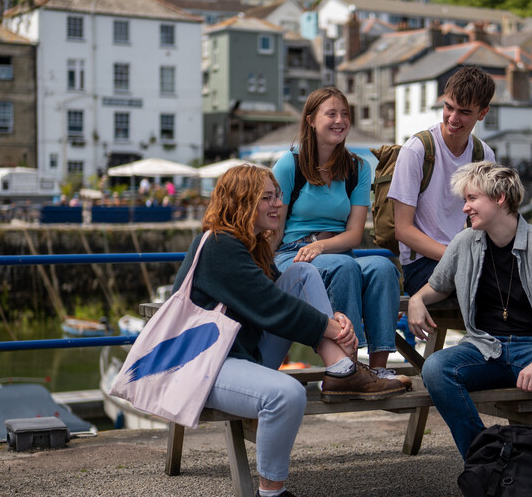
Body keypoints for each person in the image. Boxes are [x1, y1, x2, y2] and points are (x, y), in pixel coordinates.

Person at [172, 165, 406, 497]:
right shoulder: (219, 245)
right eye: (266, 198)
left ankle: (340, 368)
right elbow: (272, 307)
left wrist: (333, 320)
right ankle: (271, 492)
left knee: (302, 274)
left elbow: (281, 302)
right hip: (208, 364)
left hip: (245, 356)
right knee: (286, 394)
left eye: (278, 196)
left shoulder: (253, 247)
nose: (278, 204)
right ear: (241, 202)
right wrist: (332, 327)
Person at [407, 161, 532, 496]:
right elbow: (438, 286)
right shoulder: (465, 242)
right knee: (435, 368)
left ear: (500, 198)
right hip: (484, 347)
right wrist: (418, 298)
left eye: (472, 198)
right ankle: (489, 461)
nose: (465, 207)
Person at [272, 87, 407, 385]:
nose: (340, 120)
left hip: (335, 252)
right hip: (293, 256)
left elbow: (355, 235)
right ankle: (347, 367)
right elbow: (274, 226)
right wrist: (263, 270)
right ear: (310, 120)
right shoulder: (289, 165)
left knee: (384, 267)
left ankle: (378, 367)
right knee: (344, 267)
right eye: (331, 114)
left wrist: (322, 246)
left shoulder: (358, 168)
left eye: (345, 114)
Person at [388, 65, 497, 296]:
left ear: (483, 113)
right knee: (496, 292)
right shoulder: (417, 150)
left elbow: (491, 220)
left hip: (465, 260)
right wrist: (458, 256)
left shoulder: (483, 155)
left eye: (464, 112)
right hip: (420, 266)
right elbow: (403, 230)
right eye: (448, 107)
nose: (453, 118)